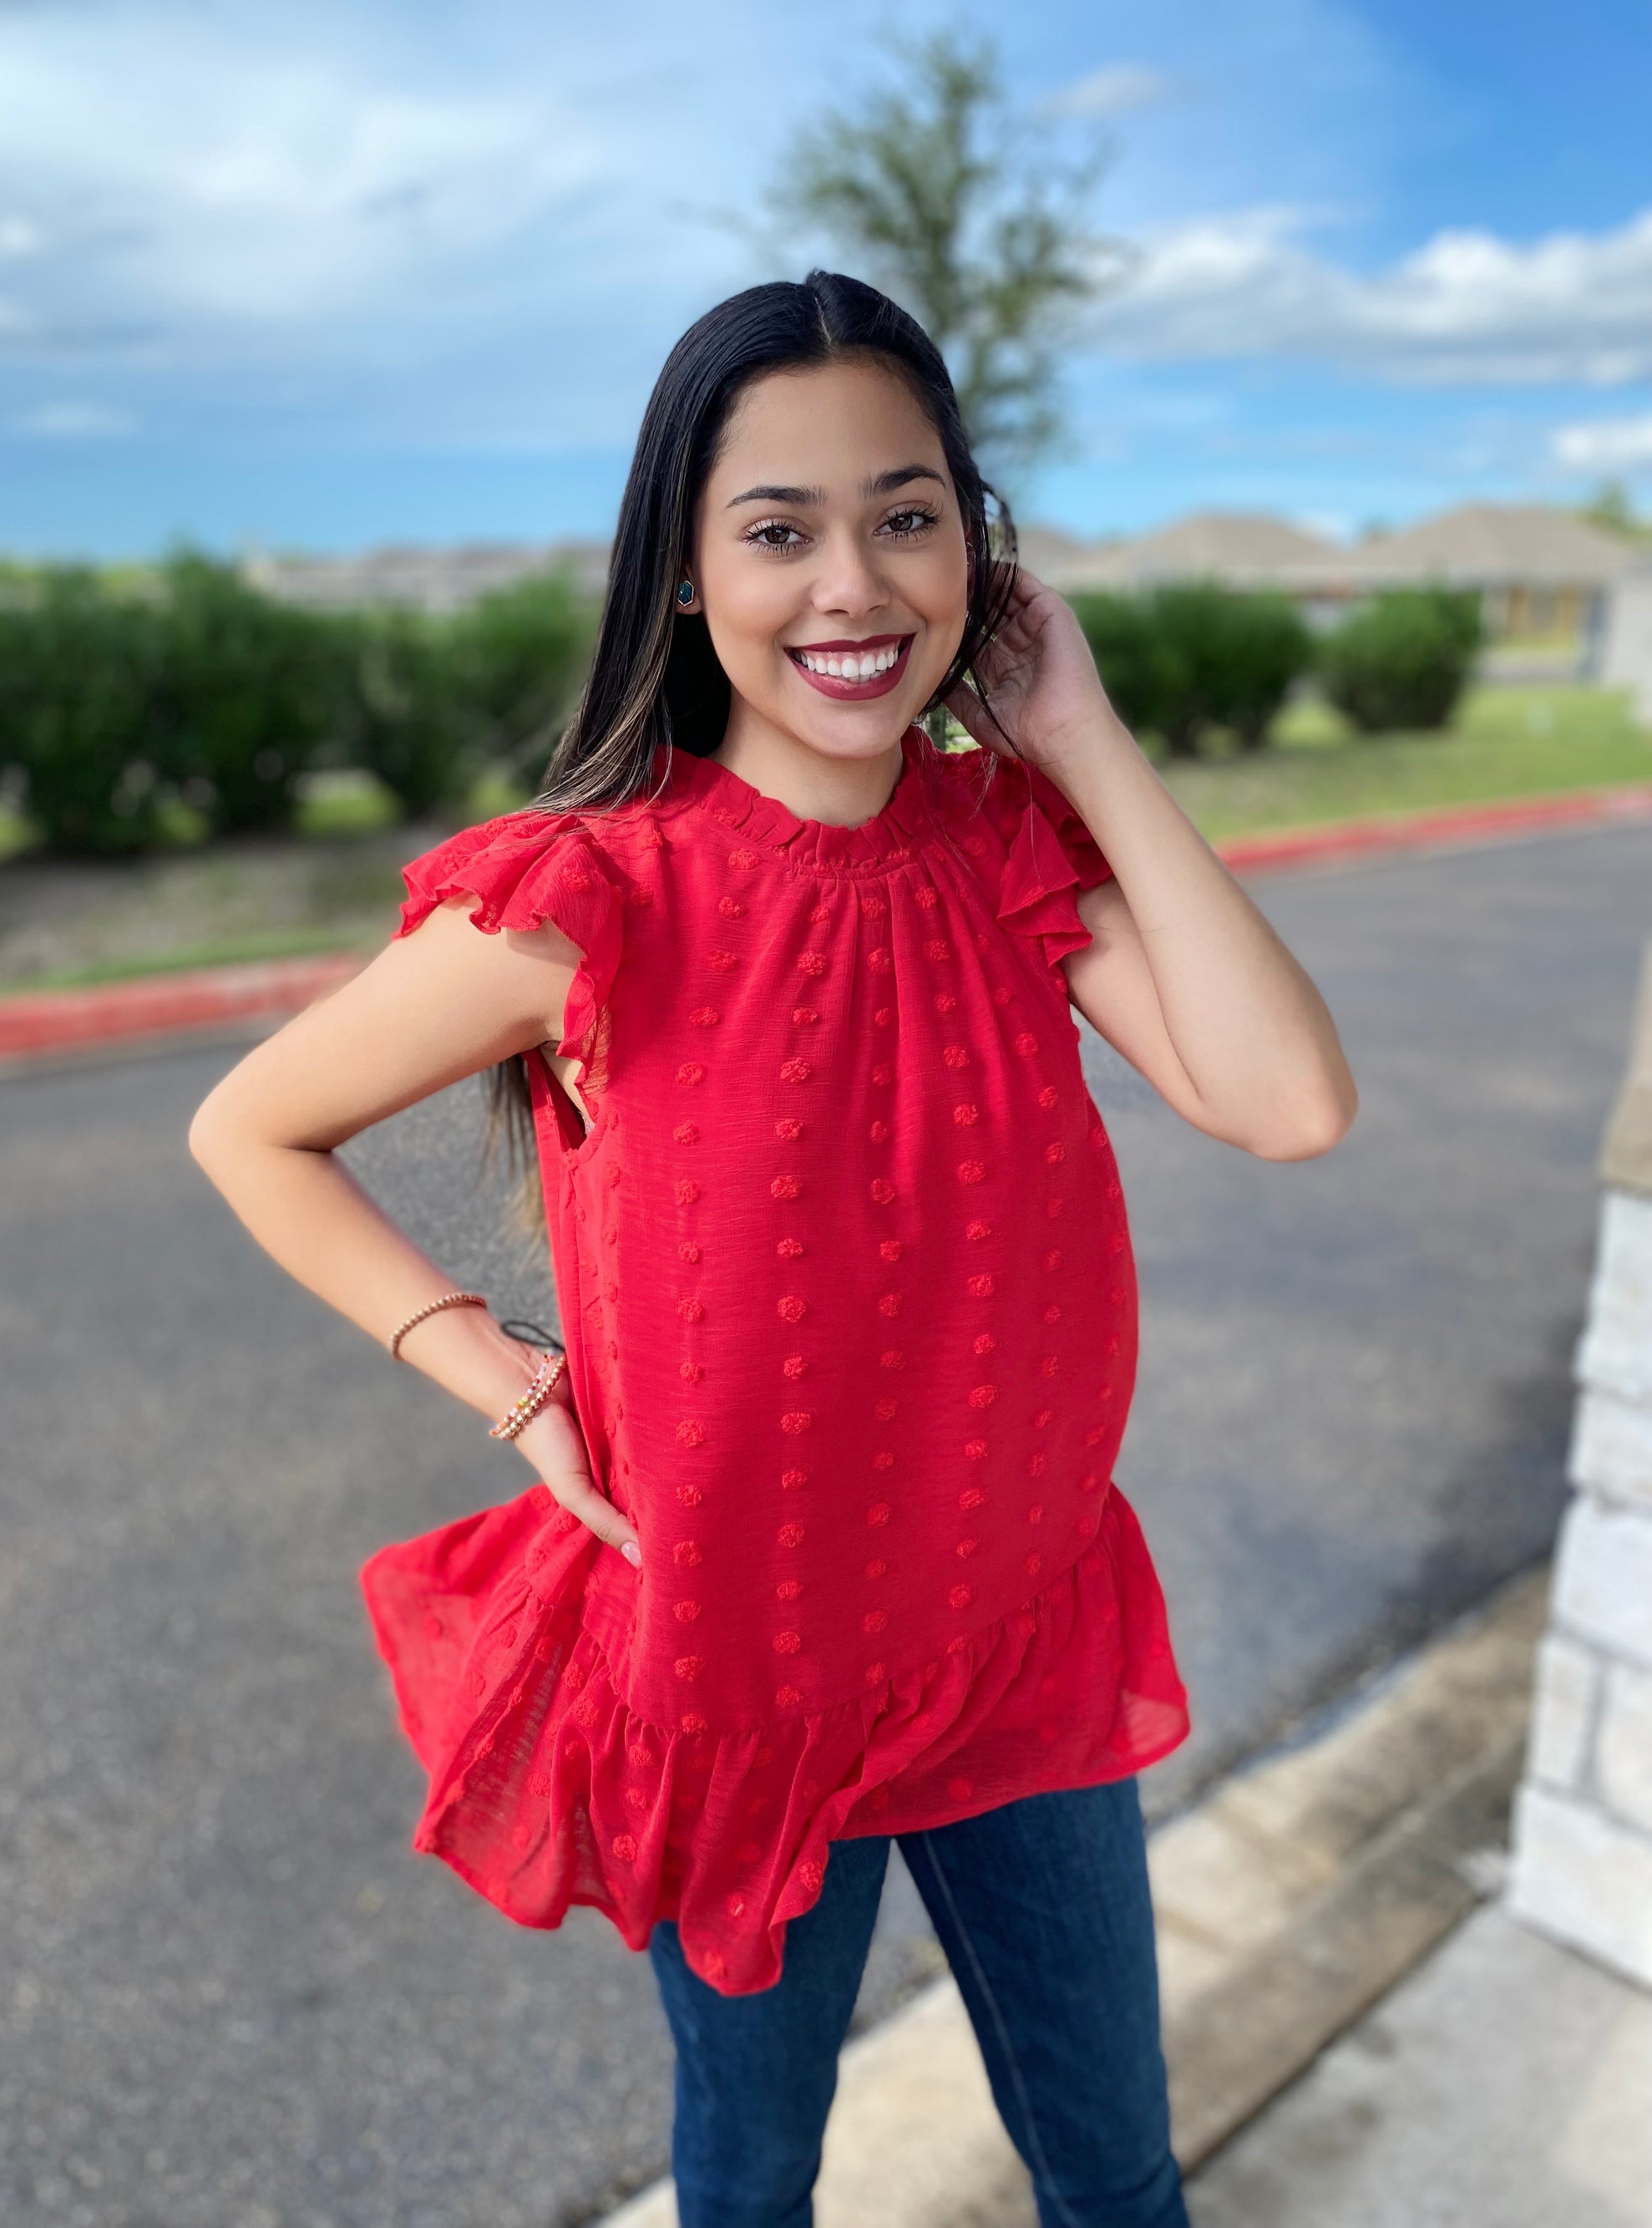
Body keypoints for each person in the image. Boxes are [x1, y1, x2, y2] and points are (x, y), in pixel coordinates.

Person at [189, 271, 1356, 2228]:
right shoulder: (589, 897)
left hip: (1018, 1627)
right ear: (679, 575)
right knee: (751, 2185)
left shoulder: (1006, 847)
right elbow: (252, 1123)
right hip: (744, 1681)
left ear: (974, 551)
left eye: (907, 515)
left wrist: (1074, 728)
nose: (853, 583)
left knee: (1119, 2173)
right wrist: (506, 1378)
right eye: (779, 527)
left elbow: (1287, 1100)